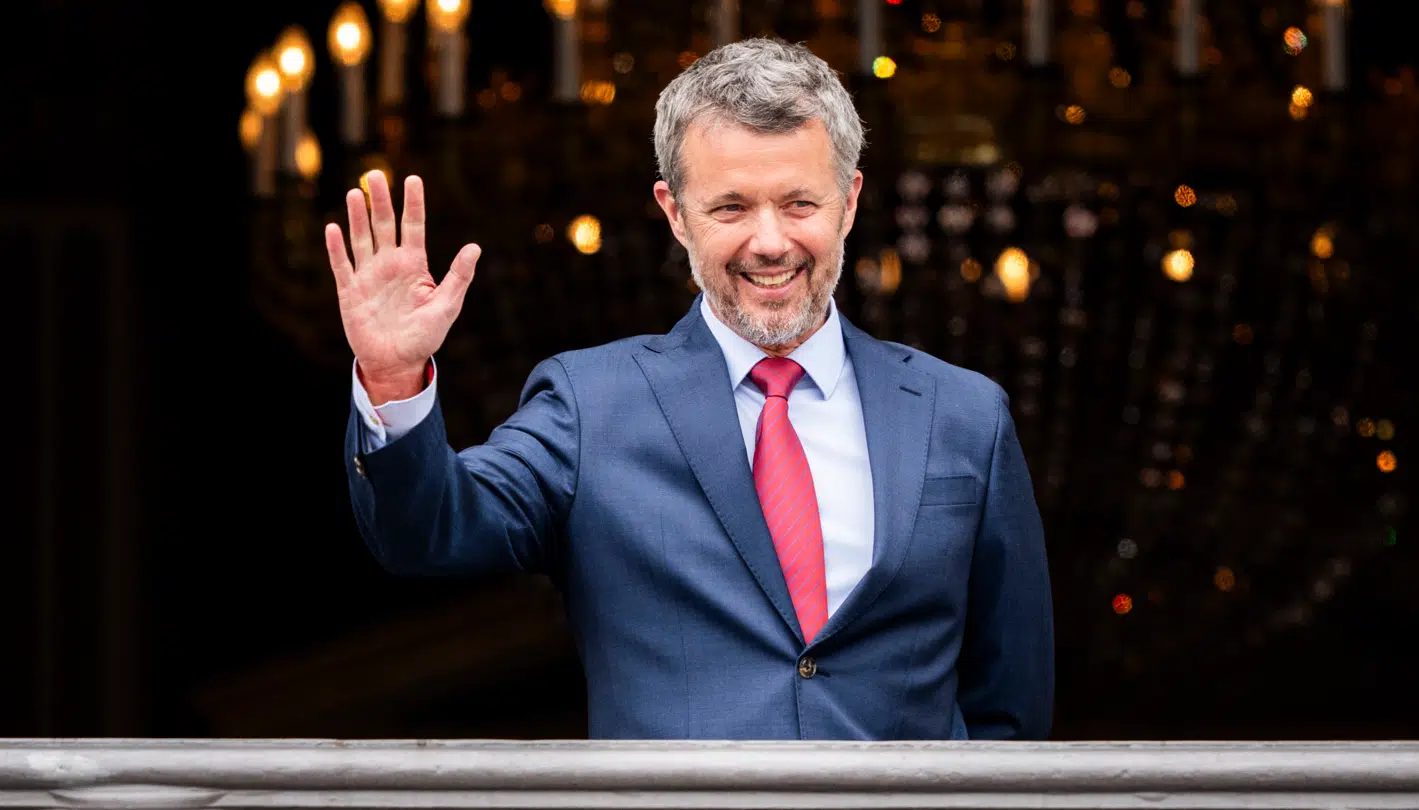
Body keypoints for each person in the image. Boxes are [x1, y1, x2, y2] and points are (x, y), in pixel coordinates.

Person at [327, 38, 1053, 740]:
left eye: (800, 204)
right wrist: (394, 379)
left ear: (850, 200)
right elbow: (428, 533)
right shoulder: (591, 406)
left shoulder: (966, 416)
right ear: (675, 212)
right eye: (730, 208)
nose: (770, 242)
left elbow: (1010, 716)